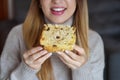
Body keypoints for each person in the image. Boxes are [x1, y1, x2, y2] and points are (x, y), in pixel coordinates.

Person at [0, 0, 105, 80]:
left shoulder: (93, 40)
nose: (57, 1)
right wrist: (26, 70)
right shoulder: (17, 34)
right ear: (39, 2)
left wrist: (82, 70)